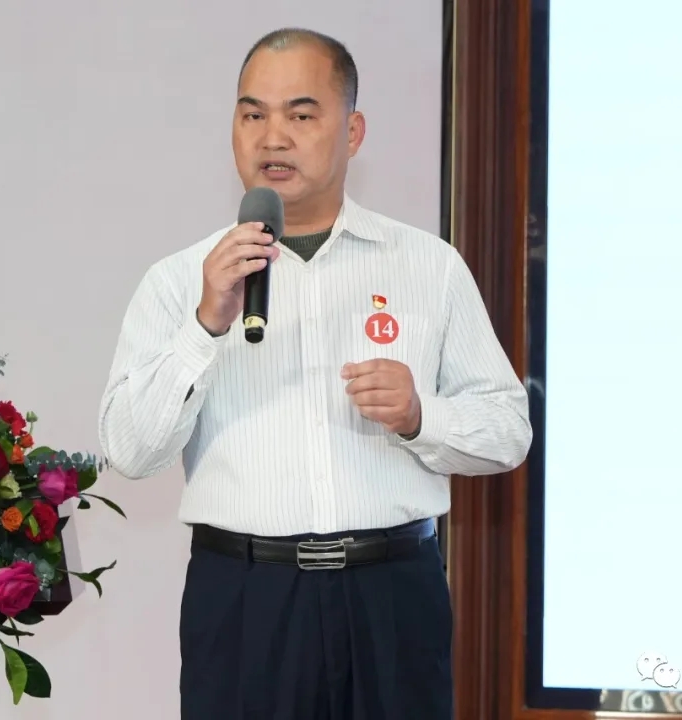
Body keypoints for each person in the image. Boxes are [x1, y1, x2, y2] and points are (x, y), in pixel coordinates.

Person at [98, 27, 531, 720]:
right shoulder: (181, 281)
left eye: (300, 115)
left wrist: (422, 416)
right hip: (245, 601)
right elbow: (129, 450)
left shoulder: (428, 266)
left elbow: (508, 430)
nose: (273, 138)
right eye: (253, 115)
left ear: (352, 132)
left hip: (392, 598)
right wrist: (204, 326)